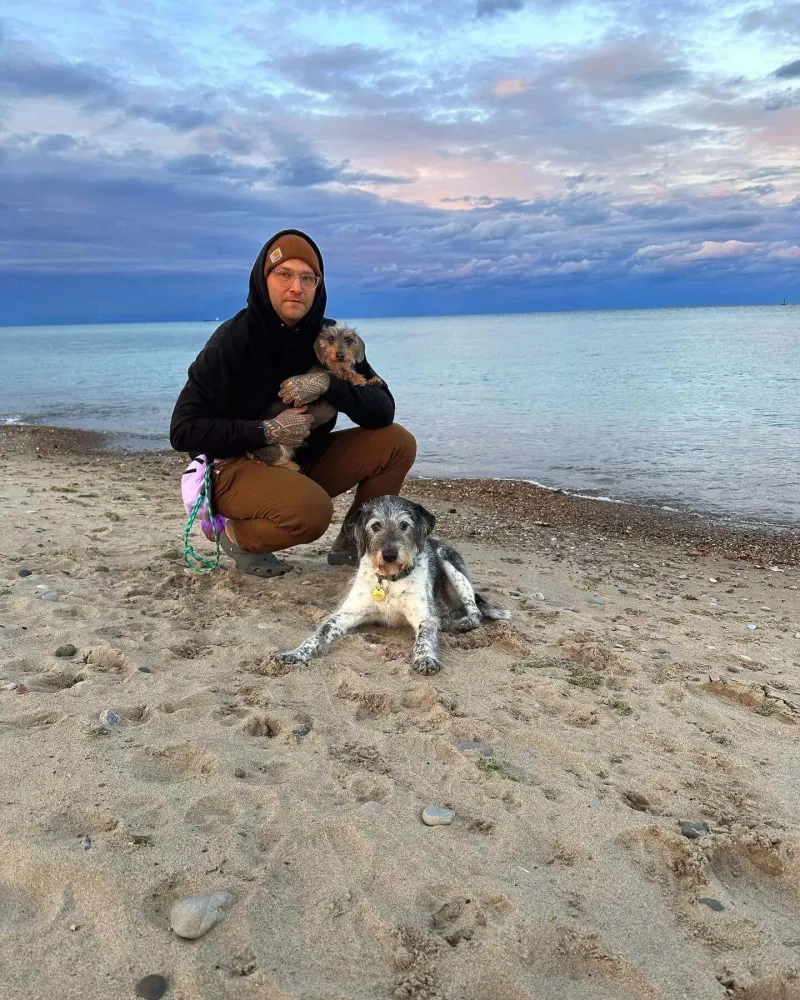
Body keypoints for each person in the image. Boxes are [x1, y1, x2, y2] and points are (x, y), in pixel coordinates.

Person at [170, 229, 416, 577]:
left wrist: (328, 382)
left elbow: (381, 409)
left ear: (319, 285)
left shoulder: (331, 340)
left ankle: (354, 542)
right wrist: (266, 430)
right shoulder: (232, 341)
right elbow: (183, 430)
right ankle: (235, 534)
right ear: (263, 279)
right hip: (236, 466)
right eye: (283, 274)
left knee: (397, 442)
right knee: (312, 512)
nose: (296, 287)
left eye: (307, 277)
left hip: (301, 458)